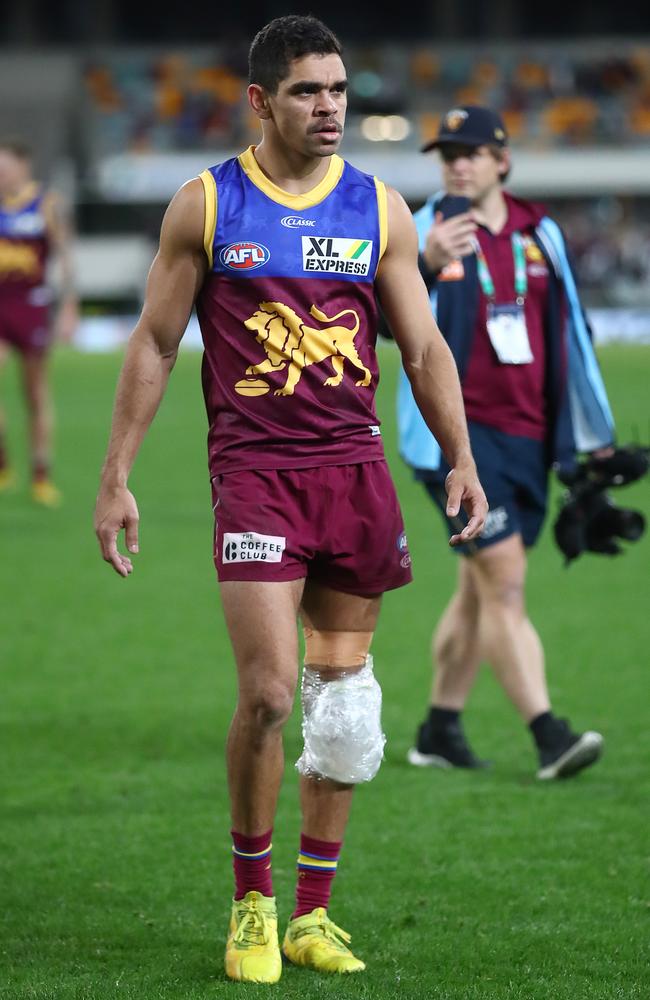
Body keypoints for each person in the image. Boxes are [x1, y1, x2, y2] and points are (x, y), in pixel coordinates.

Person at [94, 17, 487, 985]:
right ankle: (252, 904)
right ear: (260, 101)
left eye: (340, 90)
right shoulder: (207, 205)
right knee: (270, 694)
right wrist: (115, 476)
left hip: (352, 473)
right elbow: (151, 342)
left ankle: (313, 914)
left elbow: (423, 348)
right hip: (256, 474)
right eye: (310, 91)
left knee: (345, 713)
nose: (331, 108)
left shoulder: (379, 209)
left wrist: (459, 458)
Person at [398, 105, 615, 781]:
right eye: (448, 154)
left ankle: (439, 729)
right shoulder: (420, 227)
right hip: (455, 440)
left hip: (530, 436)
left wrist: (594, 434)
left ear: (502, 161)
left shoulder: (539, 230)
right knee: (506, 583)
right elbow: (376, 318)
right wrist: (425, 268)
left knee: (477, 588)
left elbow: (573, 330)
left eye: (470, 153)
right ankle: (549, 736)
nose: (457, 164)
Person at [0, 138, 78, 505]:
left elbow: (64, 257)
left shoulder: (46, 204)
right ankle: (2, 463)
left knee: (34, 393)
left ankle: (41, 473)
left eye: (5, 168)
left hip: (30, 305)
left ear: (22, 166)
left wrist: (69, 306)